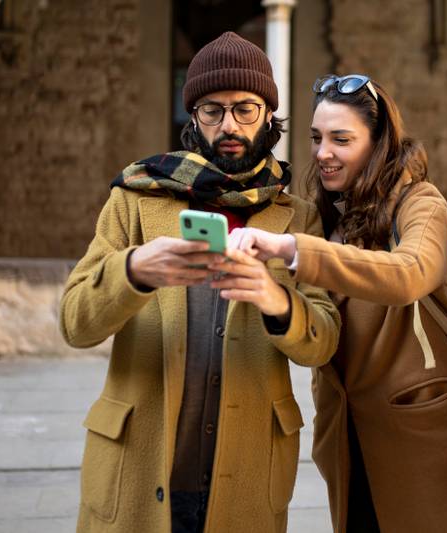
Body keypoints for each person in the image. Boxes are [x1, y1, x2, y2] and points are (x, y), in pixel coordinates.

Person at [59, 32, 340, 533]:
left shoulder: (297, 216)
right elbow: (75, 323)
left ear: (270, 116)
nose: (228, 124)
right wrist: (133, 272)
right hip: (139, 466)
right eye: (212, 110)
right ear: (193, 118)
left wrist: (276, 300)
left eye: (244, 109)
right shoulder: (136, 198)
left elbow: (322, 342)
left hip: (248, 470)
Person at [212, 74, 447, 532]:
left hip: (422, 430)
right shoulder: (323, 212)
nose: (322, 152)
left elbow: (408, 274)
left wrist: (294, 250)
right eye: (316, 138)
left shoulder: (421, 202)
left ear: (378, 143)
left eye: (341, 139)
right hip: (346, 436)